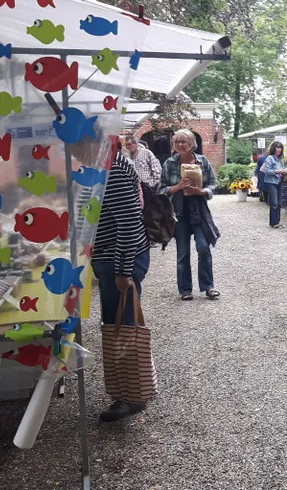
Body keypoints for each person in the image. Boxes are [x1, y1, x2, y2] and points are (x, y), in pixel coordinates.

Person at [89, 139, 153, 421]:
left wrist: (123, 272)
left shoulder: (111, 171)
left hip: (117, 259)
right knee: (120, 324)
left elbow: (128, 224)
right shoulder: (109, 165)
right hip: (114, 257)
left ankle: (130, 396)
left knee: (122, 327)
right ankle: (127, 392)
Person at [159, 129, 221, 301]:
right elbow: (161, 189)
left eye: (184, 141)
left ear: (191, 143)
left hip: (199, 211)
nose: (180, 145)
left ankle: (208, 287)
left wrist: (201, 191)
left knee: (203, 247)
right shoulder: (170, 163)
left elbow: (212, 185)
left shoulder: (203, 161)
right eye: (177, 142)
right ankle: (185, 289)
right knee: (183, 253)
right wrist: (177, 187)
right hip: (178, 213)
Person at [262, 141, 286, 228]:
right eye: (277, 147)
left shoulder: (280, 160)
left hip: (278, 182)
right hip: (271, 182)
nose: (279, 149)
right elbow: (267, 171)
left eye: (280, 148)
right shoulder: (269, 158)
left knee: (279, 203)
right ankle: (273, 222)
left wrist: (284, 172)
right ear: (274, 148)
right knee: (274, 202)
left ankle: (277, 221)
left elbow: (282, 169)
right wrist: (278, 171)